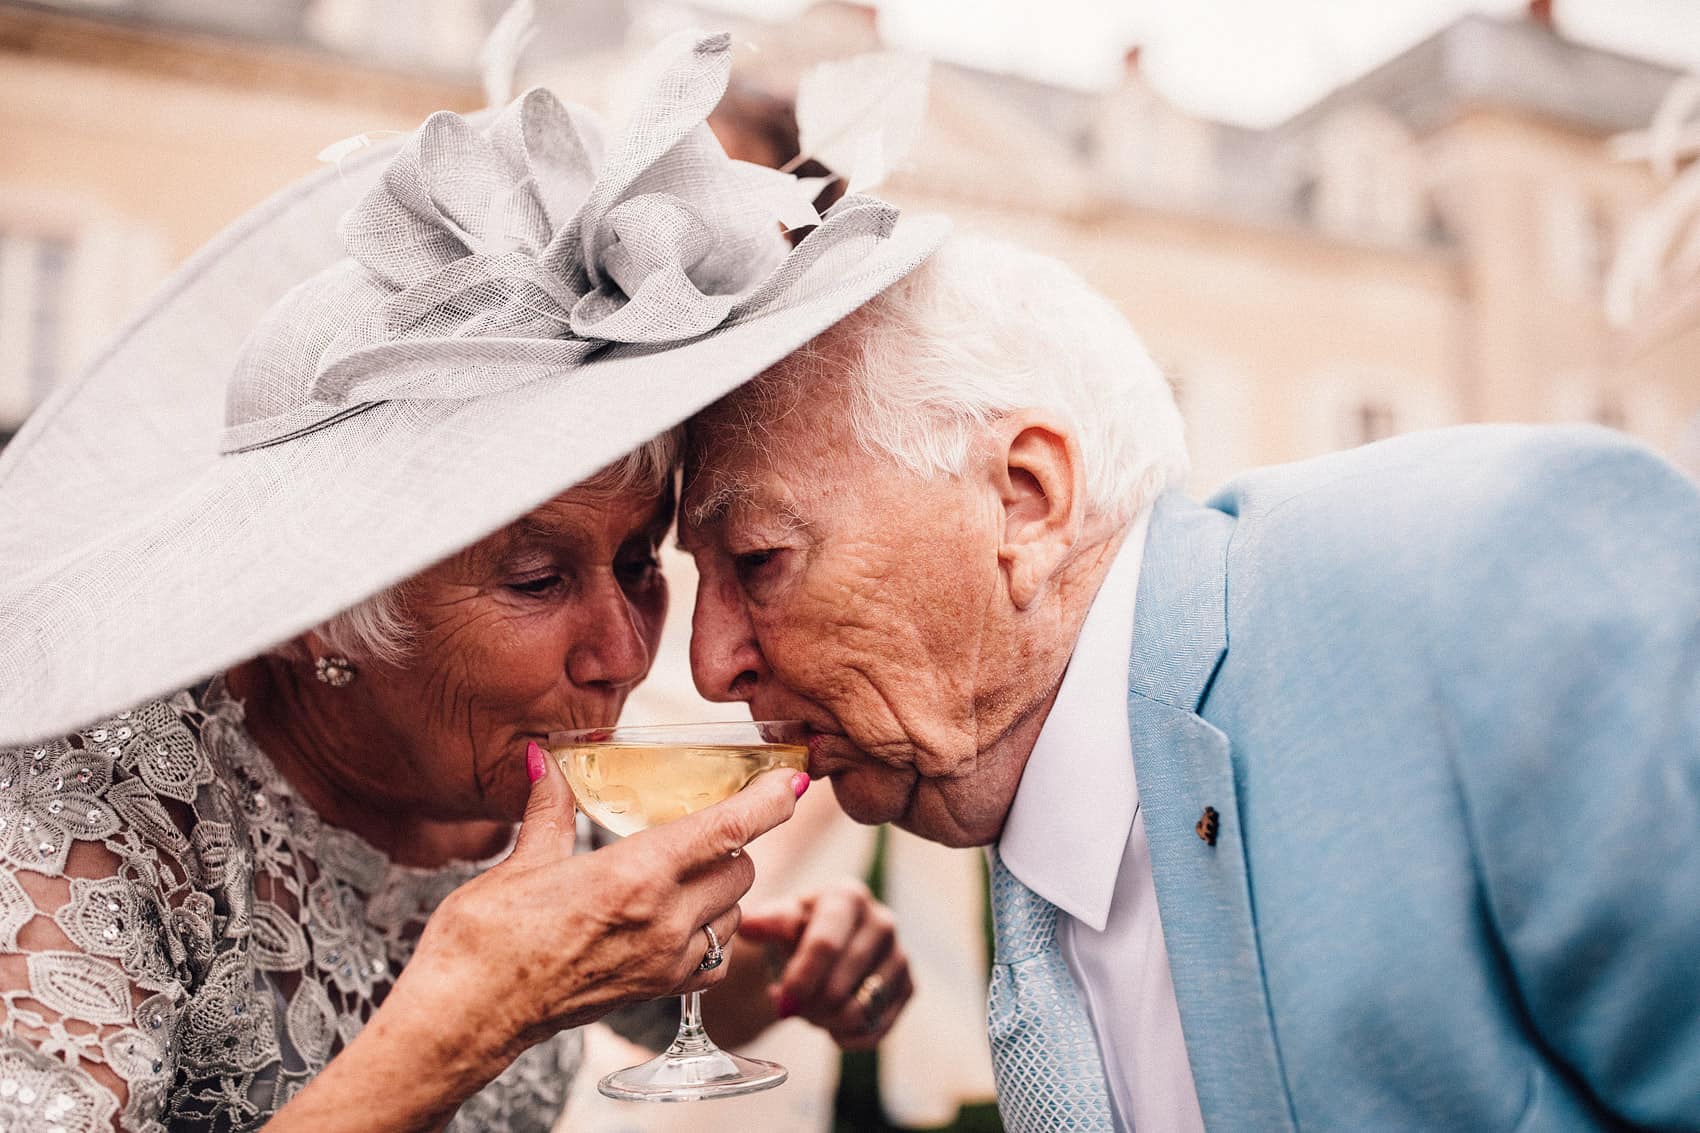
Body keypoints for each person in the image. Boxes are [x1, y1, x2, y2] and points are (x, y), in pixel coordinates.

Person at [0, 32, 947, 1132]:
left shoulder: (511, 771)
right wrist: (465, 1023)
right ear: (316, 608)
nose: (628, 651)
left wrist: (760, 973)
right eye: (538, 577)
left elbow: (625, 995)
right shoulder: (80, 818)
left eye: (639, 562)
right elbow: (508, 993)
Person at [679, 232, 1700, 1132]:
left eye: (758, 556)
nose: (708, 660)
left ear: (1024, 502)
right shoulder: (1016, 768)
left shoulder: (1493, 575)